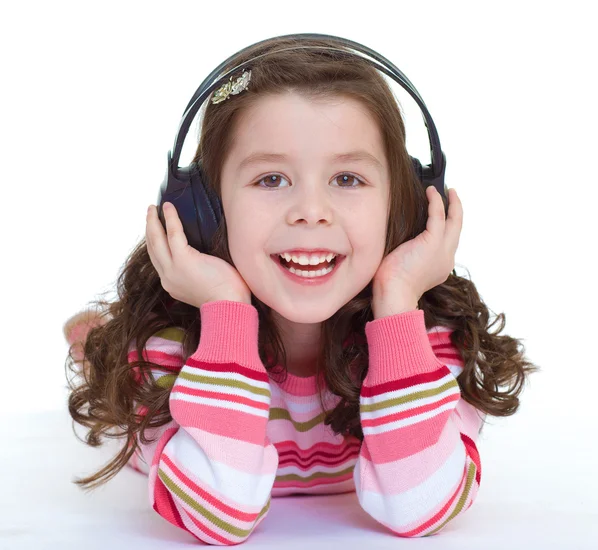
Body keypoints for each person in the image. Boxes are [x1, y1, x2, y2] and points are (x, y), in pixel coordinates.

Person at [63, 35, 539, 544]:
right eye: (270, 179)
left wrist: (398, 301)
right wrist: (224, 313)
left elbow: (420, 509)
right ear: (205, 212)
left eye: (348, 179)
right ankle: (96, 345)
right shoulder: (171, 348)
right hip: (175, 355)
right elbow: (216, 518)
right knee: (109, 364)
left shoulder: (426, 341)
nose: (311, 210)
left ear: (404, 205)